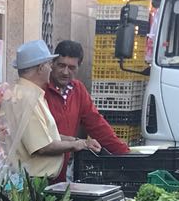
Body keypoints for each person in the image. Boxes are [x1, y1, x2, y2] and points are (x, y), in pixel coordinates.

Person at [3, 40, 98, 181]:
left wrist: (76, 140)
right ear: (41, 68)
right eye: (49, 64)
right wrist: (78, 145)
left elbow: (45, 134)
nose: (51, 68)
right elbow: (42, 146)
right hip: (32, 181)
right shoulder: (28, 98)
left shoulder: (23, 93)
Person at [46, 40, 132, 178]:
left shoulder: (78, 89)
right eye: (61, 65)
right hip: (43, 165)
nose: (65, 72)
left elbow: (97, 124)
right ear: (52, 64)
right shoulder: (42, 89)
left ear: (79, 67)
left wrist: (124, 154)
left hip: (66, 165)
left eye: (72, 68)